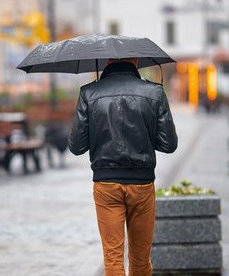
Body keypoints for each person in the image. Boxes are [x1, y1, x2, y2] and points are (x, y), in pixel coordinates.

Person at [68, 58, 178, 276]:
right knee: (140, 260)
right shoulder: (154, 93)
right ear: (136, 61)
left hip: (106, 184)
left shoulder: (89, 93)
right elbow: (169, 145)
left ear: (107, 61)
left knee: (113, 259)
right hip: (142, 184)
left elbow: (76, 147)